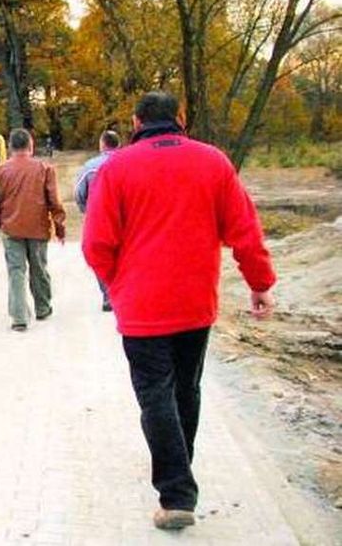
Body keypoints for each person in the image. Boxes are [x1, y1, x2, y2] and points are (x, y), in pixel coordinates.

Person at [82, 91, 276, 531]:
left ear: (135, 122)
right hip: (195, 302)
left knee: (155, 393)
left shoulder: (117, 168)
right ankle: (180, 474)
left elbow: (95, 243)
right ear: (181, 119)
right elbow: (244, 230)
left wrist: (119, 285)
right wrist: (260, 283)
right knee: (185, 390)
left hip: (142, 307)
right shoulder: (214, 162)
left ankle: (176, 493)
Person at [0, 128, 66, 331]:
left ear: (10, 146)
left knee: (16, 271)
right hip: (38, 228)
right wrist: (59, 227)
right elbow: (54, 201)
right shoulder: (44, 168)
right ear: (31, 145)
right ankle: (42, 307)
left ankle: (19, 317)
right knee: (39, 268)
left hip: (11, 229)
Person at [74, 130, 122, 311]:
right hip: (126, 217)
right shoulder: (128, 162)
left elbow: (79, 193)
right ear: (118, 144)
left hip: (99, 217)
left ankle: (108, 294)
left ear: (102, 145)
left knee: (100, 255)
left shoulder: (90, 167)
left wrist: (85, 210)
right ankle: (123, 291)